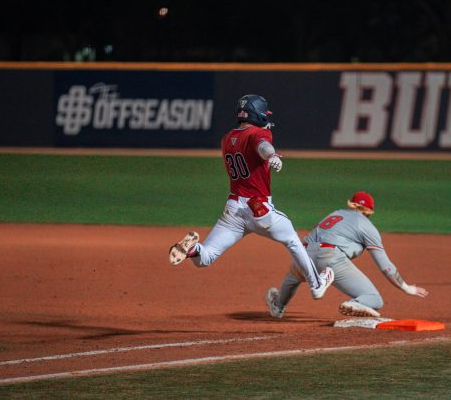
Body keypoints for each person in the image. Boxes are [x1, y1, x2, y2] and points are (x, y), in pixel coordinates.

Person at [169, 94, 334, 300]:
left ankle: (193, 249)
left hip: (233, 211)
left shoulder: (226, 139)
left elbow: (251, 144)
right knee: (292, 240)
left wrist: (264, 143)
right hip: (259, 209)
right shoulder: (258, 134)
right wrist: (272, 155)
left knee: (206, 257)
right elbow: (263, 146)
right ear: (258, 114)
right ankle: (317, 285)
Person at [265, 191, 428, 318]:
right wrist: (407, 288)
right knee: (374, 299)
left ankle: (278, 306)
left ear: (351, 204)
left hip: (303, 254)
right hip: (329, 258)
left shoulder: (335, 214)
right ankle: (356, 304)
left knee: (293, 277)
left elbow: (314, 231)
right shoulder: (367, 226)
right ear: (369, 212)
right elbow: (385, 266)